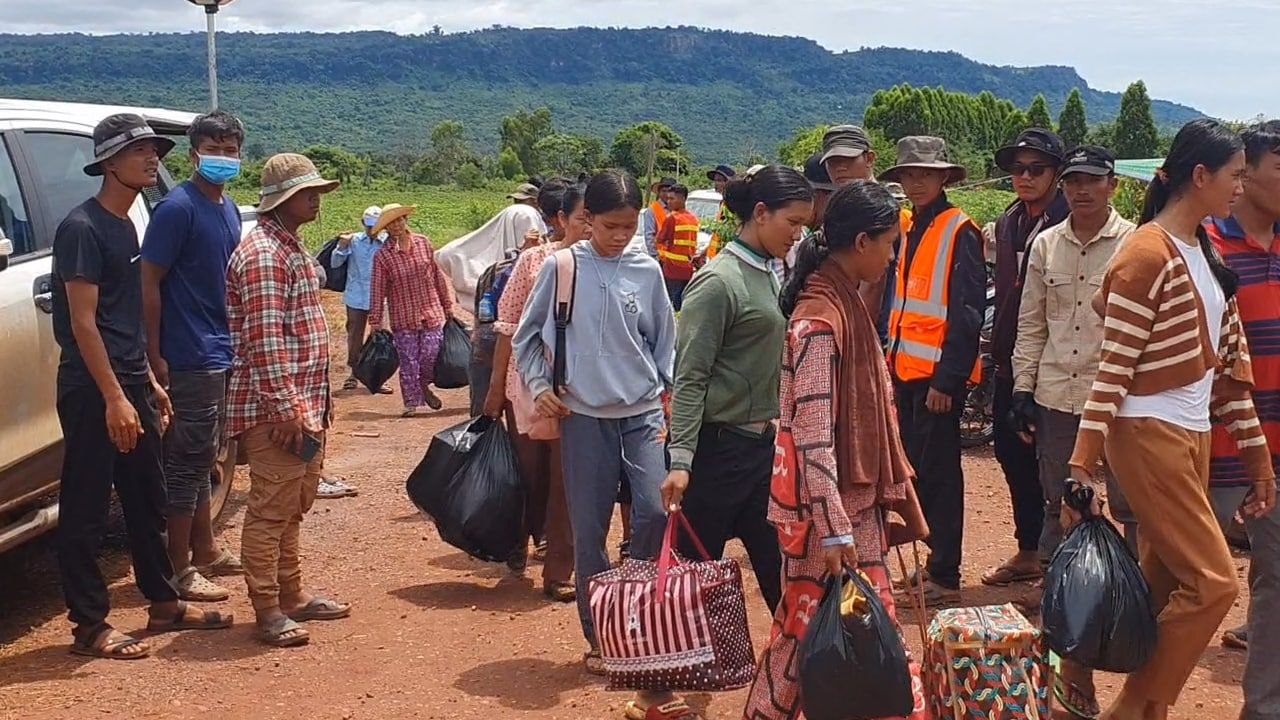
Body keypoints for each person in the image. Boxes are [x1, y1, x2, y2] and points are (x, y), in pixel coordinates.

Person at [1066, 119, 1277, 720]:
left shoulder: (1206, 253)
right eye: (1235, 174)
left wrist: (1257, 460)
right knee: (1214, 584)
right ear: (1200, 176)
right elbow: (1111, 371)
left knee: (1161, 586)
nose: (1240, 185)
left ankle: (1144, 709)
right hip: (1148, 433)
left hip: (1192, 435)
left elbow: (1230, 377)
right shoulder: (1147, 252)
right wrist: (1082, 461)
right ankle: (1132, 706)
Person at [742, 181, 929, 720]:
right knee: (818, 634)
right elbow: (813, 432)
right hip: (830, 516)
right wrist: (835, 528)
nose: (894, 256)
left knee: (815, 632)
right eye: (891, 243)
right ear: (863, 242)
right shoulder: (821, 320)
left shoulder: (839, 304)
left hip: (841, 510)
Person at [54, 113, 232, 659]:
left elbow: (124, 317)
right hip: (92, 388)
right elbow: (84, 323)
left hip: (131, 380)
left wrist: (149, 382)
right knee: (85, 507)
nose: (154, 159)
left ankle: (164, 602)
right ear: (109, 162)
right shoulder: (81, 229)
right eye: (140, 152)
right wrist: (113, 396)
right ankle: (89, 626)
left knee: (146, 497)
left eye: (155, 151)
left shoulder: (127, 223)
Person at [514, 171, 691, 720]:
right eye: (609, 225)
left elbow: (666, 342)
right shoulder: (561, 268)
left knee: (653, 517)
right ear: (586, 218)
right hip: (584, 419)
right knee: (589, 531)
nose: (619, 236)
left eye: (628, 225)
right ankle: (601, 637)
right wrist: (541, 389)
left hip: (640, 416)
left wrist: (665, 397)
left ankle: (635, 618)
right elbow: (526, 337)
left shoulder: (648, 269)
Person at [1010, 145, 1137, 718]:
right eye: (1074, 181)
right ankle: (1068, 639)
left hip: (1123, 405)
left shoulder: (1136, 243)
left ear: (1112, 185)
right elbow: (1032, 322)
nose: (1082, 190)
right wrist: (1021, 389)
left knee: (1134, 513)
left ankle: (1127, 616)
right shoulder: (1045, 244)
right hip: (1059, 397)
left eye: (1094, 180)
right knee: (1064, 510)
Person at [660, 165, 814, 615]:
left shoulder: (769, 272)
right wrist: (681, 460)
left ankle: (798, 673)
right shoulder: (718, 282)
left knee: (778, 567)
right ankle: (666, 674)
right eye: (793, 223)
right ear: (761, 213)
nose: (797, 234)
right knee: (693, 577)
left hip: (759, 449)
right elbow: (690, 376)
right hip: (717, 453)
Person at [226, 153, 353, 648]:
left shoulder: (289, 248)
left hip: (302, 405)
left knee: (291, 505)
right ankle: (268, 608)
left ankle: (292, 594)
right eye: (308, 193)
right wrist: (286, 409)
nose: (316, 199)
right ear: (283, 200)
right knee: (270, 509)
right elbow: (266, 340)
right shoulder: (263, 255)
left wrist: (314, 403)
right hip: (279, 410)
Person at [140, 109, 245, 604]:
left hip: (219, 349)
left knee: (205, 456)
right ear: (194, 153)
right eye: (215, 148)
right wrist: (156, 354)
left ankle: (205, 549)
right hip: (188, 354)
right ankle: (179, 568)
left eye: (231, 149)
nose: (223, 157)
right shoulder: (177, 209)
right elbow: (150, 283)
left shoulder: (226, 207)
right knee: (186, 462)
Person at [880, 136, 985, 606]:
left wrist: (948, 379)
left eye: (925, 173)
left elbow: (967, 314)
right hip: (906, 371)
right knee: (918, 471)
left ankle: (945, 572)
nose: (916, 181)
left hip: (934, 379)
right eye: (908, 174)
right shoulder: (910, 226)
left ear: (944, 177)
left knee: (940, 475)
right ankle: (932, 562)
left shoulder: (959, 229)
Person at [1205, 120, 1280, 719]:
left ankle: (1262, 710)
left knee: (1274, 582)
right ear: (1245, 172)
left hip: (1273, 453)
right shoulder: (1203, 246)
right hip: (1209, 448)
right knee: (1186, 586)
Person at [482, 179, 580, 598]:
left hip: (579, 391)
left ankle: (558, 571)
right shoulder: (535, 261)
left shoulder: (604, 265)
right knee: (526, 474)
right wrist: (494, 389)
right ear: (562, 219)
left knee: (568, 481)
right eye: (585, 219)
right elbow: (508, 327)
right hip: (526, 386)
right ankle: (516, 547)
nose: (593, 228)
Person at [984, 128, 1070, 589]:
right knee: (1011, 455)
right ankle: (1029, 549)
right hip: (1008, 359)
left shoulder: (1069, 222)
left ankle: (1059, 569)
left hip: (1054, 362)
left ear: (1056, 174)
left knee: (1052, 464)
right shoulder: (1008, 222)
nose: (1025, 177)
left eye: (1036, 169)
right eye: (1018, 169)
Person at [368, 203, 458, 417]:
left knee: (430, 354)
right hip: (403, 315)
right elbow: (377, 290)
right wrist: (375, 321)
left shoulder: (424, 243)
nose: (397, 225)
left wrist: (447, 305)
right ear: (386, 228)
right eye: (391, 223)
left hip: (431, 310)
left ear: (406, 219)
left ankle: (424, 385)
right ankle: (411, 403)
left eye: (399, 219)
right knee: (408, 360)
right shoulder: (383, 256)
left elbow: (437, 276)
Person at [435, 182, 546, 309]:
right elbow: (537, 247)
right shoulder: (527, 213)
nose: (516, 203)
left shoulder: (510, 211)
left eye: (519, 200)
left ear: (534, 200)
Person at [331, 205, 390, 393]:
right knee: (354, 336)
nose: (372, 230)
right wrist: (341, 246)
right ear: (364, 224)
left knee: (379, 337)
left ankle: (377, 377)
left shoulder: (388, 243)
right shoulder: (354, 241)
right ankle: (354, 373)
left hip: (379, 297)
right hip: (356, 296)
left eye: (376, 226)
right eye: (369, 226)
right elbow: (335, 263)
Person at [655, 184, 701, 310]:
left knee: (670, 306)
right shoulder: (693, 219)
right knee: (683, 305)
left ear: (682, 199)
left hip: (672, 270)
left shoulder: (672, 218)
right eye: (668, 199)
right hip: (688, 270)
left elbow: (659, 240)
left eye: (672, 199)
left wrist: (662, 258)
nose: (668, 202)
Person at [643, 176, 676, 260]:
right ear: (659, 192)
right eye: (663, 191)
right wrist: (654, 255)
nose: (666, 194)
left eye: (669, 191)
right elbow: (649, 235)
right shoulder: (652, 210)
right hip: (660, 257)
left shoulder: (677, 208)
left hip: (675, 257)